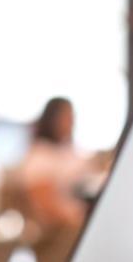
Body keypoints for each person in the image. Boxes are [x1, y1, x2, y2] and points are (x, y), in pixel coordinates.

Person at [6, 97, 90, 232]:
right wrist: (79, 222)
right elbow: (45, 205)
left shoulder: (69, 152)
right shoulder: (39, 156)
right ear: (53, 119)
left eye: (72, 117)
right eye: (67, 117)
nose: (72, 122)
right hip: (61, 232)